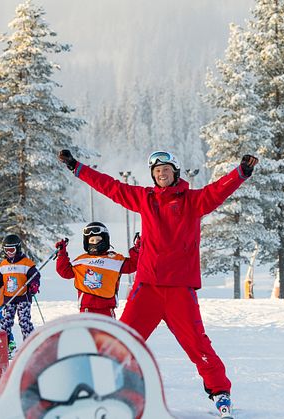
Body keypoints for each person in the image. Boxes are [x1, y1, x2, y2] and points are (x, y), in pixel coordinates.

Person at [58, 149, 258, 418]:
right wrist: (77, 167)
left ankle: (220, 392)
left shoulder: (193, 201)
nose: (161, 174)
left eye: (165, 170)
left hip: (179, 289)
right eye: (156, 171)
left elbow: (216, 191)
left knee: (197, 344)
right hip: (148, 288)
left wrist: (240, 173)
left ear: (175, 172)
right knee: (122, 340)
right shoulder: (145, 198)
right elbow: (110, 187)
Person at [55, 222, 140, 318]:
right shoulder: (82, 260)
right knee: (88, 333)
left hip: (107, 309)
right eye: (92, 240)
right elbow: (64, 272)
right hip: (87, 309)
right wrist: (61, 253)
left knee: (109, 333)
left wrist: (137, 250)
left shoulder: (115, 259)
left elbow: (134, 264)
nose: (95, 242)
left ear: (105, 240)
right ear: (87, 242)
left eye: (98, 239)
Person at [0, 234, 40, 355]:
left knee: (24, 321)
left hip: (23, 297)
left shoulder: (26, 263)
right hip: (9, 299)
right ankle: (2, 347)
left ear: (18, 248)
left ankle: (30, 346)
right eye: (6, 250)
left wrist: (34, 284)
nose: (9, 252)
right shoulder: (3, 264)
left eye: (12, 250)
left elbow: (35, 276)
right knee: (6, 322)